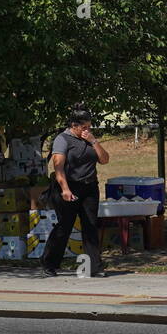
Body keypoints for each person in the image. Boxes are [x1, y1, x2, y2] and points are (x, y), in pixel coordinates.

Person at [40, 107, 110, 277]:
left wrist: (94, 141)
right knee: (65, 225)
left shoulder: (90, 139)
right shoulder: (63, 139)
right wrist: (65, 189)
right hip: (68, 186)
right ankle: (49, 263)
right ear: (74, 125)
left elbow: (104, 159)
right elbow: (58, 166)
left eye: (89, 127)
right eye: (84, 127)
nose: (87, 130)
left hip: (89, 187)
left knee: (90, 225)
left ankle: (93, 267)